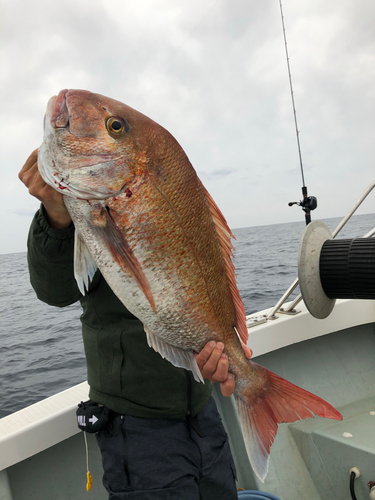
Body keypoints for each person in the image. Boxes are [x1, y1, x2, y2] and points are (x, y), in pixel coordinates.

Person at [19, 149, 252, 500]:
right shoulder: (88, 216)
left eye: (113, 128)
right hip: (136, 424)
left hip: (202, 411)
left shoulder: (168, 212)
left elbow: (206, 280)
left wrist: (227, 350)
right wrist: (55, 215)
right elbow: (54, 291)